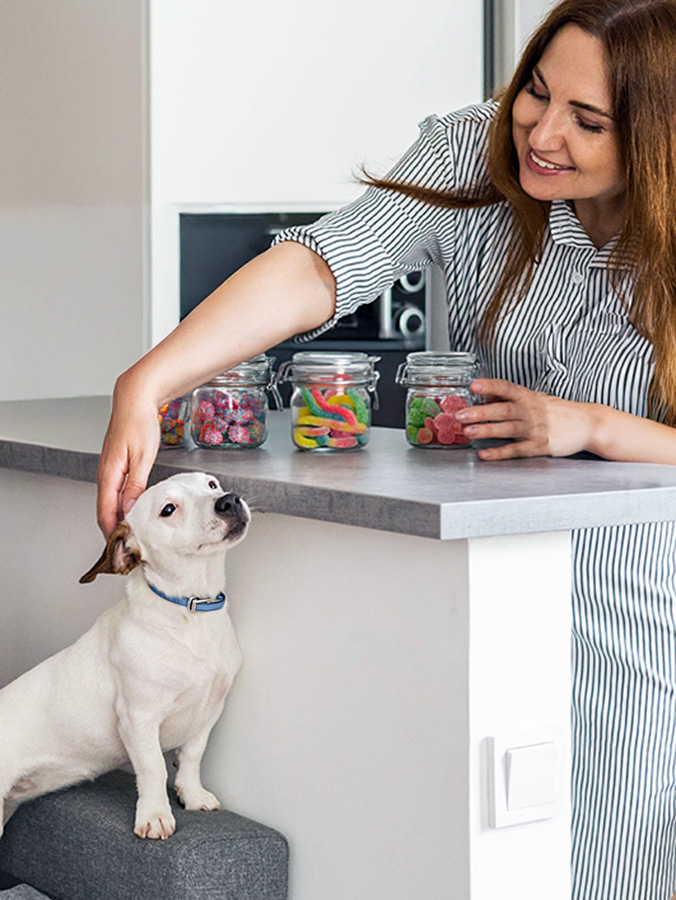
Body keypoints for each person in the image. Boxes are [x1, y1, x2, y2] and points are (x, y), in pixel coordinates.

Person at [98, 0, 676, 896]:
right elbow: (327, 264)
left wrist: (595, 426)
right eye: (535, 89)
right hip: (501, 590)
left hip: (646, 611)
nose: (543, 130)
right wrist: (149, 381)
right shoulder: (474, 154)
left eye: (588, 120)